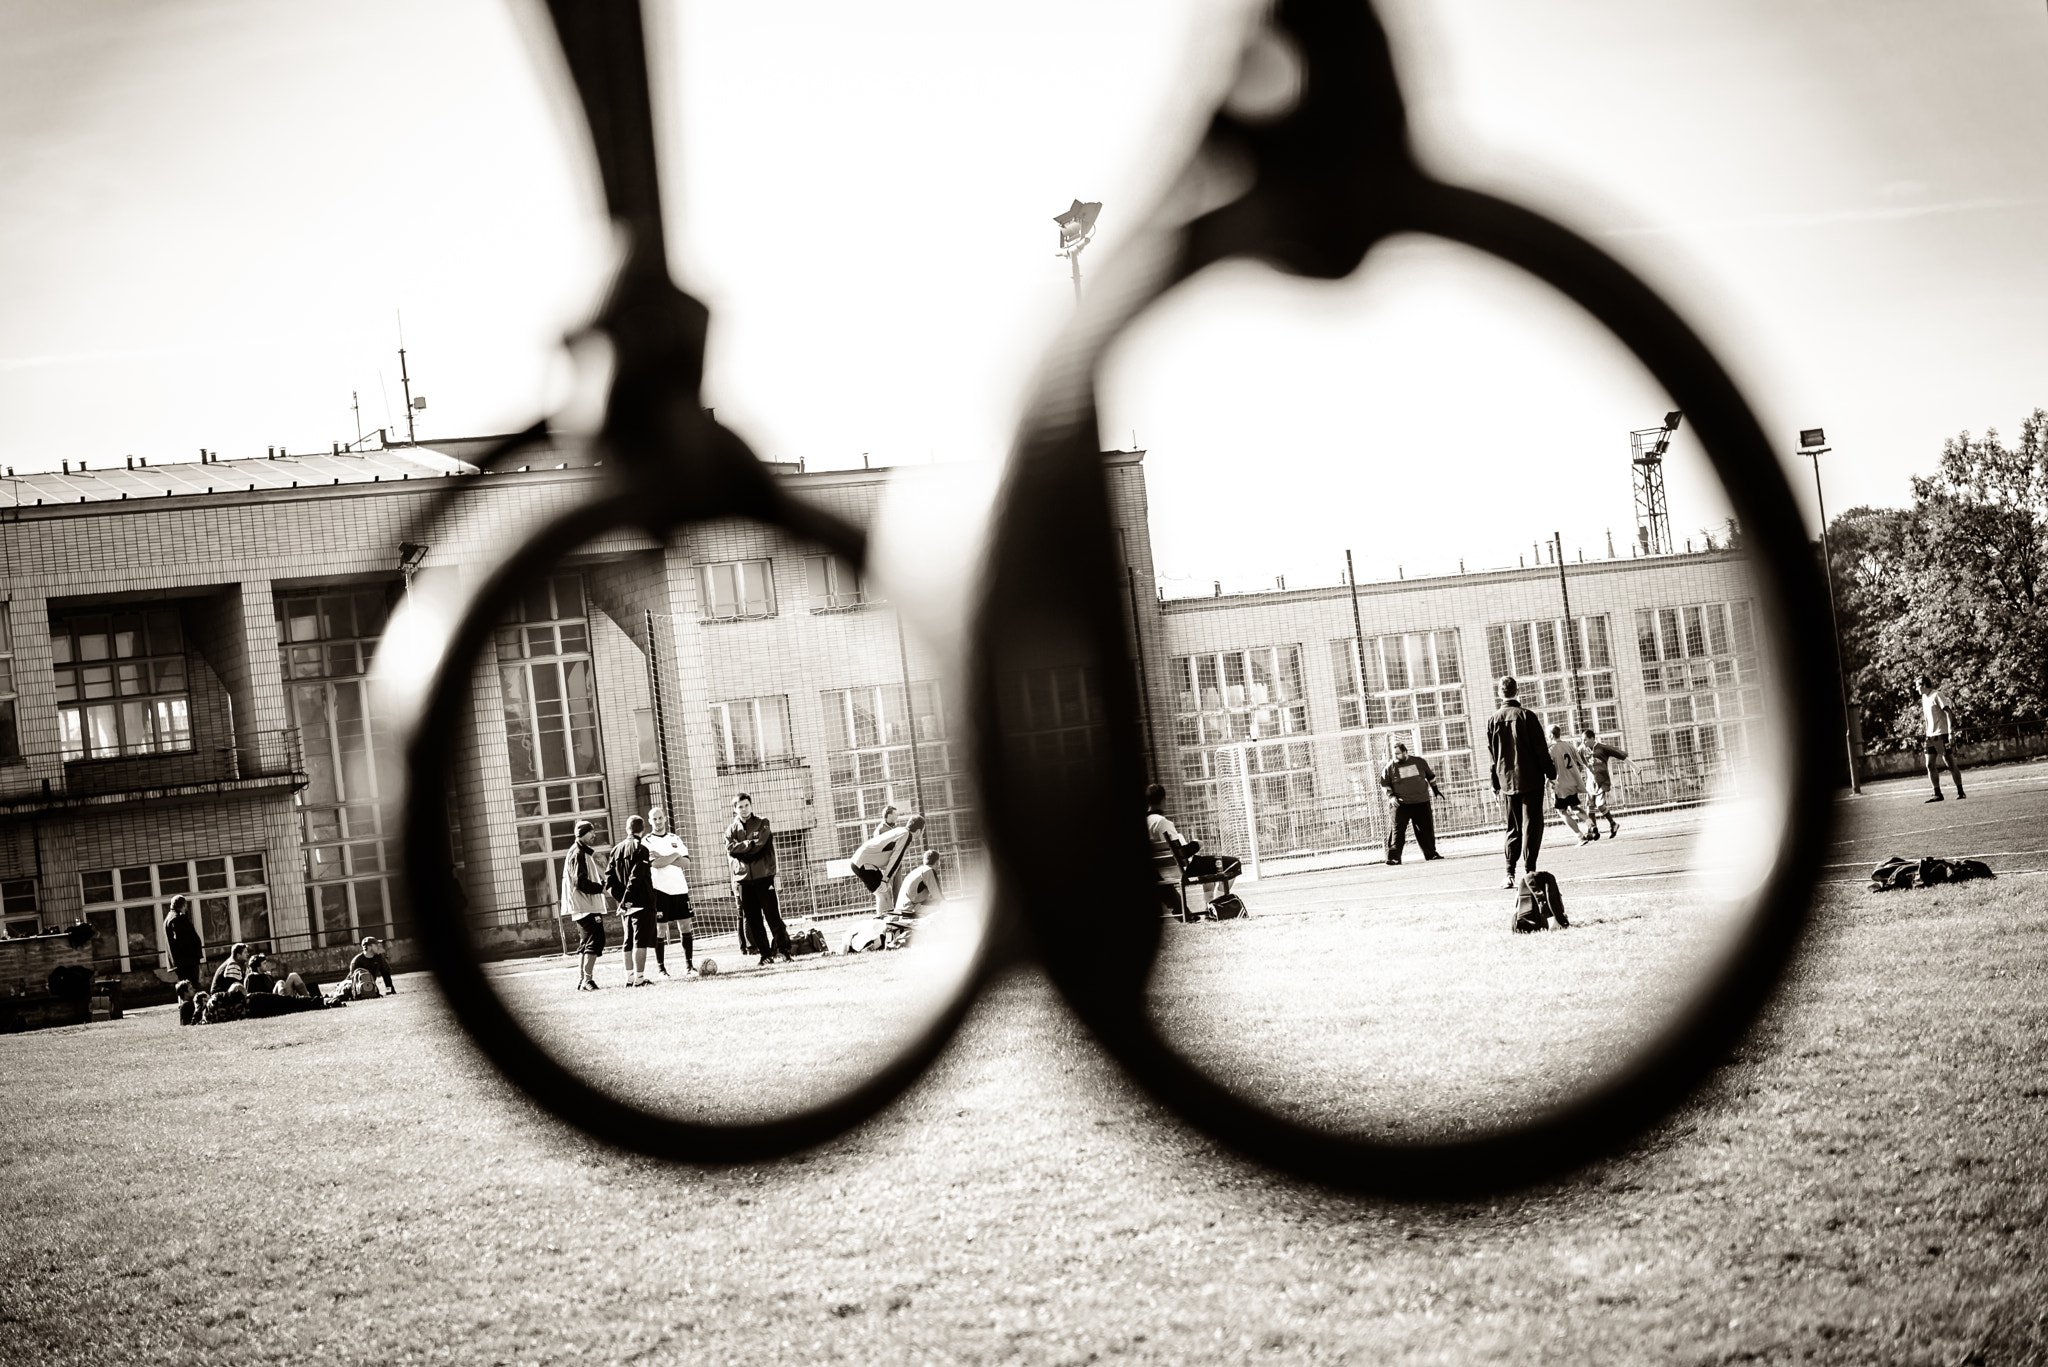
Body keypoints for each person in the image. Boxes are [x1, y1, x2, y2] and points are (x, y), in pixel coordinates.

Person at [1486, 676, 1555, 891]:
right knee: (1531, 826)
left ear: (1499, 694)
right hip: (1531, 779)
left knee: (1512, 828)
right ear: (1518, 691)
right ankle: (1529, 871)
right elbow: (1541, 750)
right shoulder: (1527, 716)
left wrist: (1494, 783)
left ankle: (1508, 873)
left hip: (1506, 781)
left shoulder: (1493, 720)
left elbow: (1493, 756)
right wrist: (1551, 774)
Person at [1145, 783, 1238, 918]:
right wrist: (1197, 844)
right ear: (1163, 800)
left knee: (1209, 865)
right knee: (1234, 863)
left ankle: (1209, 905)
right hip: (1184, 868)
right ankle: (1217, 905)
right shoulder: (1161, 822)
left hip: (1162, 871)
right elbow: (1181, 853)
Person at [726, 793, 792, 966]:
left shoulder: (763, 823)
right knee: (754, 920)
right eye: (740, 806)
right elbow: (731, 849)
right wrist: (749, 845)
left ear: (751, 805)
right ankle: (765, 955)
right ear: (735, 810)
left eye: (746, 805)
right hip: (744, 881)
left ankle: (785, 951)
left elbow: (761, 848)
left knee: (773, 917)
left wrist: (743, 850)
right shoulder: (731, 830)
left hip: (764, 878)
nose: (744, 809)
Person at [606, 815, 659, 987]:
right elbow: (636, 877)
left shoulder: (615, 850)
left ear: (627, 829)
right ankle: (640, 978)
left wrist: (621, 900)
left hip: (625, 905)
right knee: (640, 941)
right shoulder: (640, 849)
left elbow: (609, 880)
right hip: (640, 902)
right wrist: (628, 900)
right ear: (642, 829)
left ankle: (629, 978)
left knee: (628, 941)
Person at [644, 806, 695, 978]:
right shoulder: (647, 841)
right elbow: (655, 864)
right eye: (654, 819)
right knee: (660, 930)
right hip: (660, 890)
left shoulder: (675, 838)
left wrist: (667, 856)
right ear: (649, 821)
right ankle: (661, 970)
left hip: (679, 888)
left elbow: (686, 863)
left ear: (665, 818)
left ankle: (689, 967)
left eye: (660, 818)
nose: (658, 822)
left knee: (685, 926)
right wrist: (675, 856)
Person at [849, 810, 925, 922]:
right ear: (919, 830)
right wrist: (885, 880)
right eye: (923, 830)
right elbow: (895, 858)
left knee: (885, 893)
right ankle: (884, 927)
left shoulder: (902, 831)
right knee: (883, 894)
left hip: (863, 861)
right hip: (863, 862)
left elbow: (888, 855)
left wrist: (886, 880)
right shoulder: (906, 835)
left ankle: (884, 925)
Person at [560, 819, 609, 991]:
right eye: (591, 832)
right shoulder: (578, 853)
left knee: (587, 942)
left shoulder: (582, 852)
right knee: (595, 941)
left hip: (584, 905)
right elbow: (581, 883)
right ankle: (587, 980)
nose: (594, 835)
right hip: (584, 905)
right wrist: (601, 889)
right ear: (581, 834)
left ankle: (583, 981)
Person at [1379, 741, 1446, 865]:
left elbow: (1430, 776)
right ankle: (1394, 858)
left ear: (1405, 752)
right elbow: (1384, 784)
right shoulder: (1389, 767)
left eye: (1398, 754)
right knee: (1397, 831)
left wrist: (1435, 790)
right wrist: (1391, 796)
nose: (1395, 756)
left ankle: (1431, 854)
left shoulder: (1419, 762)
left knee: (1426, 830)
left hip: (1421, 802)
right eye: (1394, 754)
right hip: (1400, 804)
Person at [1917, 674, 1967, 802]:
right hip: (1930, 736)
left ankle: (1960, 791)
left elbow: (1948, 712)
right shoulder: (1924, 697)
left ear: (1923, 685)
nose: (1916, 689)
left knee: (1950, 764)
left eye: (1917, 686)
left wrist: (1950, 732)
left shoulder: (1937, 695)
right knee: (1929, 764)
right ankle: (1937, 793)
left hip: (1941, 734)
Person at [1547, 724, 1595, 843]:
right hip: (1572, 782)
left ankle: (1580, 836)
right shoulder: (1569, 745)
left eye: (1547, 734)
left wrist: (1548, 782)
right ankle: (1590, 824)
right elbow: (1580, 763)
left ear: (1551, 735)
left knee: (1562, 811)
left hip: (1560, 785)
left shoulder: (1551, 749)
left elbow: (1550, 769)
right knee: (1574, 807)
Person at [1579, 728, 1627, 838]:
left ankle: (1612, 824)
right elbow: (1574, 759)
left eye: (1585, 740)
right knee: (1589, 806)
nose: (1583, 742)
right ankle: (1594, 831)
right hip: (1590, 783)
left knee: (1600, 805)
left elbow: (1619, 754)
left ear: (1592, 738)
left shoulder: (1602, 748)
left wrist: (1635, 767)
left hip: (1602, 782)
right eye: (1582, 740)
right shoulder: (1582, 749)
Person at [163, 894, 203, 990]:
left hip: (181, 962)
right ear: (184, 905)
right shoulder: (177, 918)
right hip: (187, 961)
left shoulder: (169, 918)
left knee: (184, 987)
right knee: (191, 987)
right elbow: (182, 940)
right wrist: (193, 954)